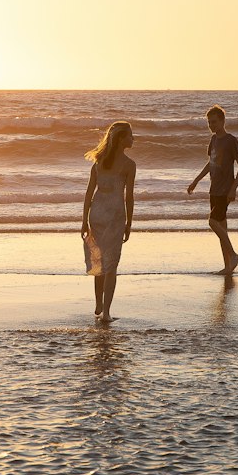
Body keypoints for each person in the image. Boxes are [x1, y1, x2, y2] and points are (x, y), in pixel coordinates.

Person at [82, 121, 136, 323]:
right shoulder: (129, 165)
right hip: (114, 215)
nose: (133, 139)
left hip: (97, 214)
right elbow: (129, 197)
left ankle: (98, 303)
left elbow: (89, 193)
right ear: (121, 139)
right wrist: (129, 222)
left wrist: (84, 220)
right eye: (130, 135)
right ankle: (106, 312)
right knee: (111, 265)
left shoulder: (99, 161)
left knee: (99, 261)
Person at [187, 104, 238, 273]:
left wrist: (233, 189)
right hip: (214, 189)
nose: (211, 125)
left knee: (212, 222)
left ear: (223, 121)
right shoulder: (213, 140)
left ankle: (233, 255)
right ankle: (228, 266)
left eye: (214, 122)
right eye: (209, 123)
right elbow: (210, 164)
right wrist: (196, 181)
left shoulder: (231, 140)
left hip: (225, 190)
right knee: (222, 229)